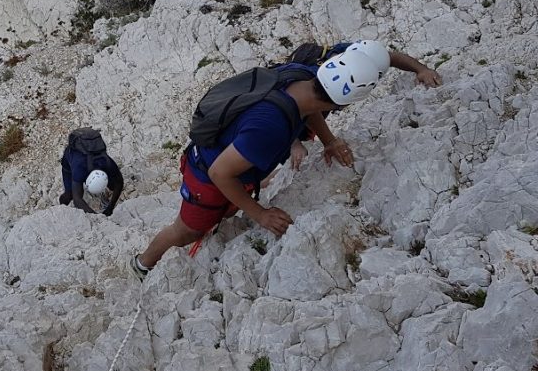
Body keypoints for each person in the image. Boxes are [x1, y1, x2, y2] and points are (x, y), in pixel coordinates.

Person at [131, 48, 382, 280]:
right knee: (187, 230)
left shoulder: (305, 76)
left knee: (225, 210)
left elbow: (312, 106)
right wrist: (260, 214)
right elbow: (220, 173)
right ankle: (142, 264)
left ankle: (220, 216)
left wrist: (329, 140)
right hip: (207, 177)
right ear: (344, 103)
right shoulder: (269, 127)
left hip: (230, 164)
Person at [286, 39, 441, 170]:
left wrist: (421, 69)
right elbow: (303, 106)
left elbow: (392, 58)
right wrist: (299, 143)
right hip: (287, 117)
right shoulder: (325, 77)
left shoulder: (356, 54)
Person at [58, 127, 124, 216]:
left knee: (113, 185)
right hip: (70, 160)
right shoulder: (79, 168)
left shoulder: (107, 163)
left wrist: (110, 208)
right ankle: (61, 209)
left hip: (90, 159)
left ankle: (106, 199)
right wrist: (97, 217)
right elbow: (77, 199)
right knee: (69, 194)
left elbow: (119, 183)